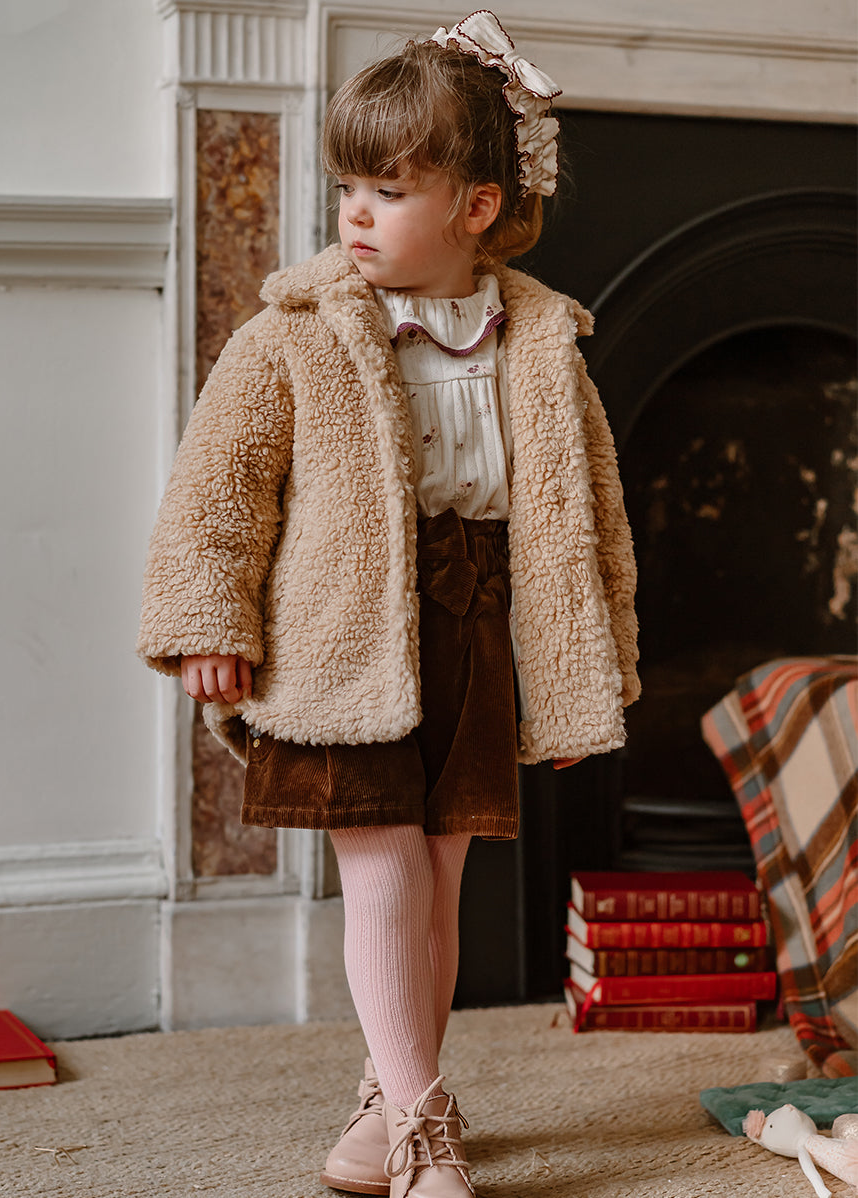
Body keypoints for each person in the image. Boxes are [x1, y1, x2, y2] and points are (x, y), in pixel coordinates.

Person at [138, 11, 639, 1197]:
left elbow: (592, 517)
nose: (355, 213)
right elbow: (216, 488)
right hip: (342, 632)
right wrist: (210, 620)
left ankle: (387, 1098)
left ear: (475, 206)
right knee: (381, 867)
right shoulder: (292, 333)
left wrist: (592, 671)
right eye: (347, 187)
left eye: (389, 190)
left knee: (440, 876)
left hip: (479, 625)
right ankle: (421, 1126)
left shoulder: (539, 341)